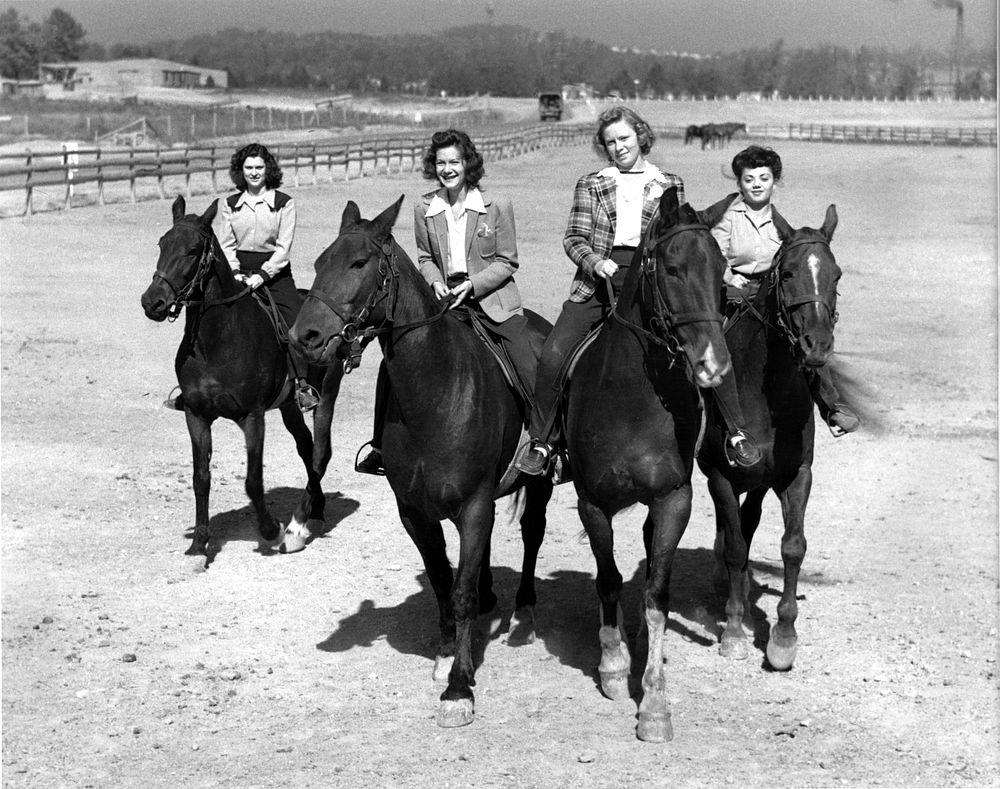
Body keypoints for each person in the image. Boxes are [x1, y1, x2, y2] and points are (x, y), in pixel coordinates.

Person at [513, 106, 763, 476]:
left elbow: (676, 240)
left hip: (654, 280)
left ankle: (735, 431)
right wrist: (595, 262)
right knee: (553, 353)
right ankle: (544, 441)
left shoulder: (669, 183)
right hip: (597, 282)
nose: (618, 147)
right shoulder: (591, 183)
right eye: (610, 142)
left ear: (641, 136)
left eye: (624, 138)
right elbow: (574, 238)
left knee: (706, 342)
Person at [355, 129, 537, 475]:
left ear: (468, 163)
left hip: (490, 299)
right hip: (440, 298)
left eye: (454, 161)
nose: (447, 168)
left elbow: (507, 261)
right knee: (392, 359)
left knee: (526, 361)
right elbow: (425, 257)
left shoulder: (496, 204)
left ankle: (544, 441)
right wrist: (436, 282)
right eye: (441, 162)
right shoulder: (425, 207)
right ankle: (380, 445)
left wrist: (471, 285)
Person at [710, 144, 860, 437]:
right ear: (739, 183)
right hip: (732, 293)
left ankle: (831, 405)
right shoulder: (728, 216)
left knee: (804, 332)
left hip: (769, 294)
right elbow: (714, 254)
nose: (756, 185)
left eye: (763, 178)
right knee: (714, 345)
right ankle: (714, 420)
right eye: (749, 178)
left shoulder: (781, 225)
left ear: (774, 182)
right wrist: (728, 276)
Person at [164, 142, 319, 413]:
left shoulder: (284, 203)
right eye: (249, 168)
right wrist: (235, 272)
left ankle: (300, 386)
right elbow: (226, 244)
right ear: (241, 171)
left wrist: (261, 276)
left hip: (275, 273)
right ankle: (190, 385)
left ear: (268, 169)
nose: (254, 172)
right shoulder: (231, 204)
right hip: (236, 270)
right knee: (201, 314)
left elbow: (283, 249)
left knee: (294, 325)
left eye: (259, 167)